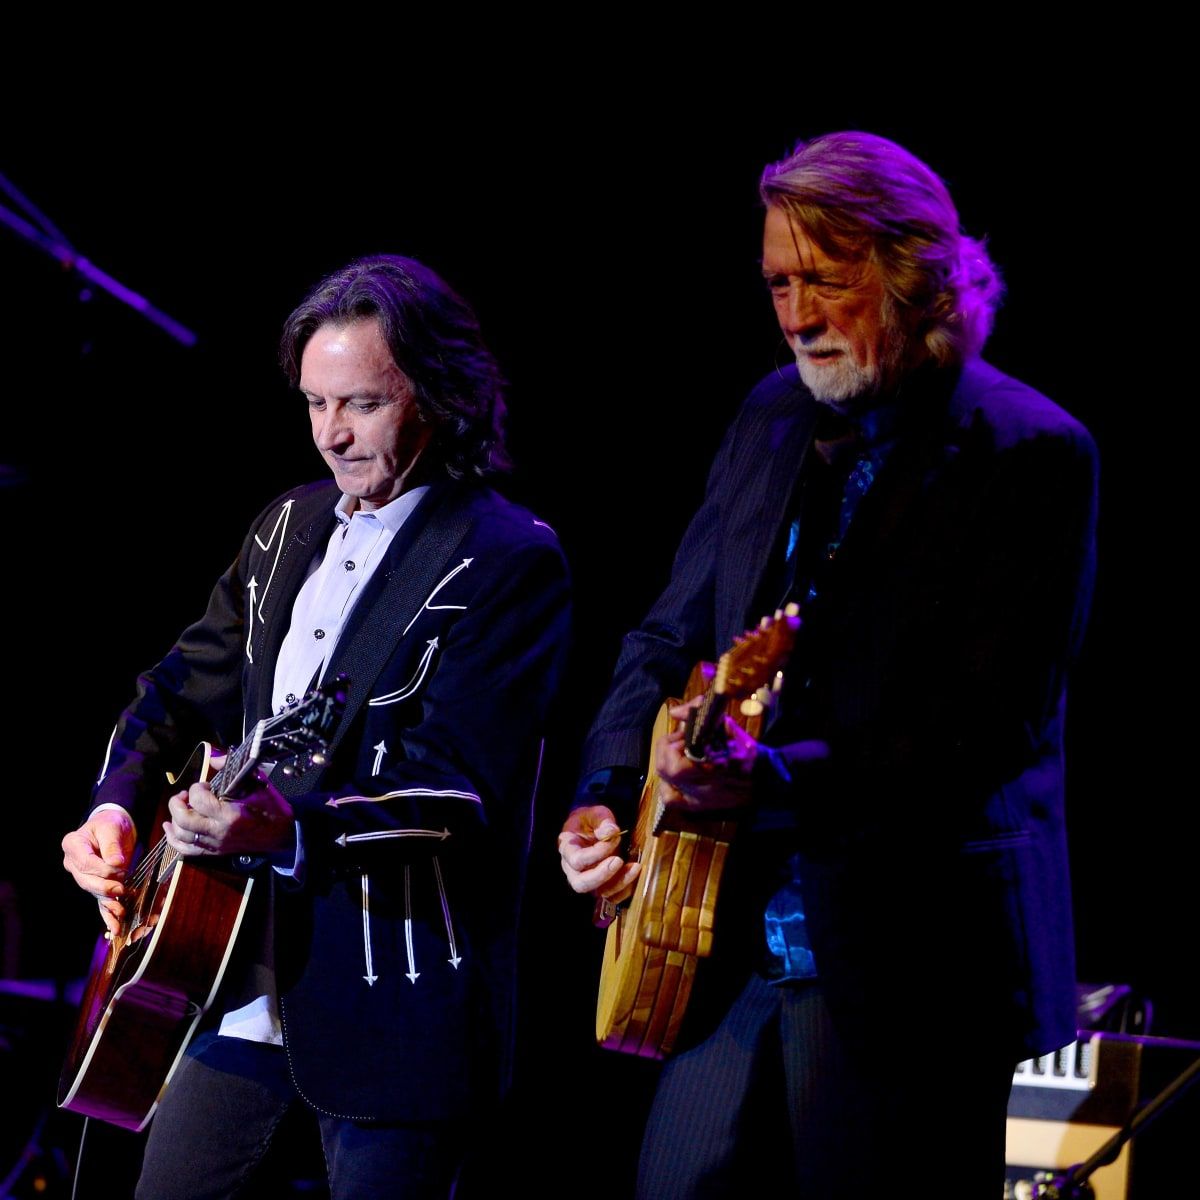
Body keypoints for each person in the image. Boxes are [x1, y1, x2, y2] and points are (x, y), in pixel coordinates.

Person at [558, 132, 1098, 1197]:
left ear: (915, 276)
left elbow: (982, 732)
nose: (797, 315)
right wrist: (607, 793)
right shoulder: (769, 416)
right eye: (777, 283)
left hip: (914, 966)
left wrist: (770, 777)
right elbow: (670, 633)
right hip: (724, 939)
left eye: (827, 281)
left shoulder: (1033, 453)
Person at [62, 255, 571, 1199]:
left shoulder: (505, 558)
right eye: (313, 403)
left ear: (442, 395)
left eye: (363, 405)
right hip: (227, 981)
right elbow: (175, 689)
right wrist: (114, 805)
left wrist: (289, 832)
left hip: (394, 1001)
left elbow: (462, 794)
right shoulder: (285, 528)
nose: (331, 435)